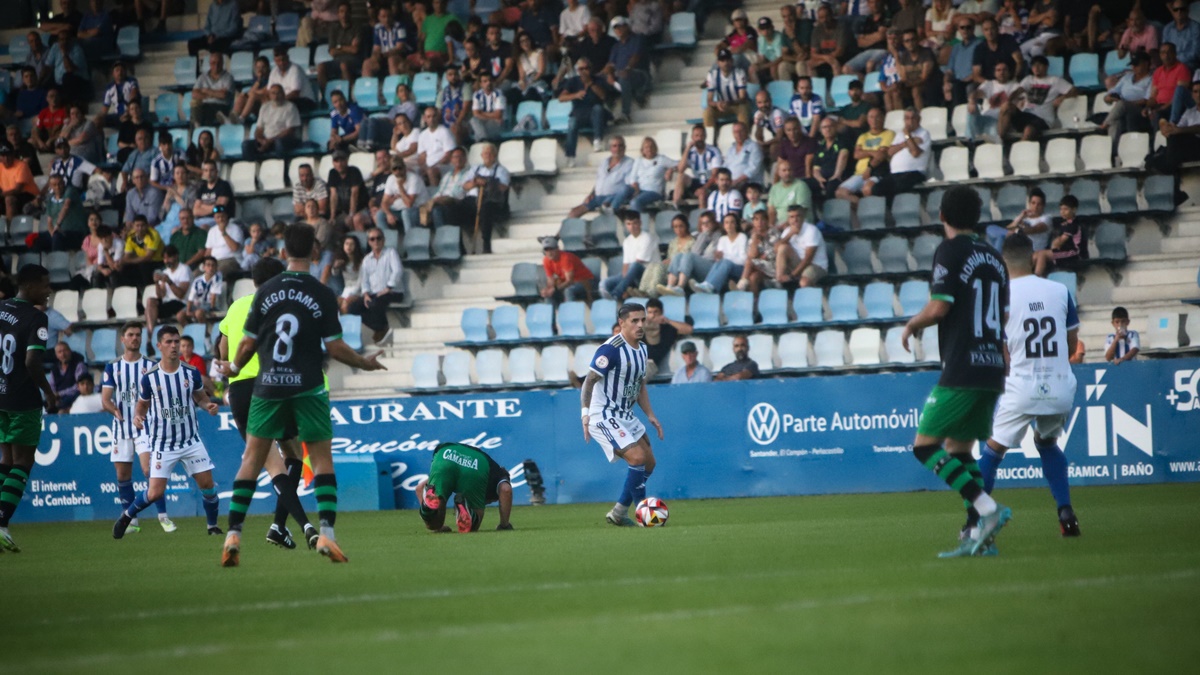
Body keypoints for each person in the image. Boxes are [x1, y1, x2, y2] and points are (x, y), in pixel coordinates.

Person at [217, 223, 386, 565]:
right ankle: (327, 533)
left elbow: (248, 343)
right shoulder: (322, 292)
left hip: (268, 385)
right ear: (314, 252)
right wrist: (364, 364)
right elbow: (336, 348)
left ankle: (233, 533)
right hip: (307, 386)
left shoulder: (265, 292)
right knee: (321, 458)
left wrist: (233, 368)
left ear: (282, 251)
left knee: (252, 458)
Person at [899, 185, 1011, 558]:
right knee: (960, 449)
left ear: (942, 217)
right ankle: (976, 535)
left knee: (924, 447)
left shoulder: (950, 250)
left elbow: (939, 307)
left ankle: (986, 509)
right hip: (992, 365)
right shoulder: (995, 258)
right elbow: (1001, 315)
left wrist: (912, 325)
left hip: (963, 366)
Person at [974, 233, 1081, 549]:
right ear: (1034, 256)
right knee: (1047, 443)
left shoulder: (1001, 296)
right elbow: (1072, 346)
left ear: (1001, 261)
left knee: (993, 451)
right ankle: (1065, 512)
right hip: (1060, 385)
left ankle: (973, 522)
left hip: (1020, 386)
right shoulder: (1060, 290)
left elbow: (998, 349)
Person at [218, 256, 317, 549]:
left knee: (275, 462)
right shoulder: (281, 306)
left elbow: (221, 346)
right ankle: (303, 526)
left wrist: (228, 376)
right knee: (293, 455)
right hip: (271, 386)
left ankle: (278, 527)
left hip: (238, 393)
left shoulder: (236, 306)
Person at [111, 326, 222, 539]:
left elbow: (200, 396)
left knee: (207, 485)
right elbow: (142, 404)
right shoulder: (150, 377)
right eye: (169, 342)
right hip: (163, 444)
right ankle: (127, 516)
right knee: (154, 493)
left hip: (191, 441)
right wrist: (137, 416)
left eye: (176, 341)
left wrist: (208, 405)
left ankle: (212, 526)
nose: (174, 346)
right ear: (159, 345)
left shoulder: (190, 372)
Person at [581, 302, 663, 527]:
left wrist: (650, 414)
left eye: (642, 320)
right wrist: (585, 414)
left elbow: (639, 385)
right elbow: (589, 381)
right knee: (637, 458)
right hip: (604, 415)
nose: (640, 325)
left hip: (625, 414)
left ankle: (618, 513)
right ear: (622, 323)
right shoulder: (611, 349)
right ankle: (644, 513)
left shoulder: (642, 349)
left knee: (649, 463)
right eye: (634, 321)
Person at [0, 264, 57, 552]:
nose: (48, 291)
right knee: (23, 462)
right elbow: (32, 362)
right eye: (45, 285)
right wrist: (48, 393)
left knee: (6, 460)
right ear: (31, 285)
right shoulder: (36, 317)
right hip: (21, 398)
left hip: (0, 395)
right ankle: (2, 523)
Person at [101, 322, 173, 532]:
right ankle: (131, 521)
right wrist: (115, 411)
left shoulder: (151, 365)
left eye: (138, 335)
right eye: (131, 335)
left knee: (149, 469)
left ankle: (163, 517)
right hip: (121, 428)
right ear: (123, 339)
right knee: (123, 475)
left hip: (145, 426)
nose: (135, 338)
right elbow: (106, 398)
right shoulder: (112, 366)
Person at [415, 442, 513, 532]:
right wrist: (504, 525)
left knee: (434, 525)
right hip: (476, 465)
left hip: (445, 453)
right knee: (472, 526)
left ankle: (427, 506)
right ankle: (466, 511)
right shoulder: (499, 474)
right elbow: (506, 489)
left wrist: (435, 521)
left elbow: (420, 488)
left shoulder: (492, 467)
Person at [349, 227, 402, 344]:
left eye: (379, 238)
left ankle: (382, 329)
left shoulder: (391, 252)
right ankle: (381, 328)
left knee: (375, 303)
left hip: (393, 292)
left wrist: (388, 287)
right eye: (372, 239)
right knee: (352, 308)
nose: (376, 241)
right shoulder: (367, 259)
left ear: (383, 240)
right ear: (369, 242)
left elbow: (397, 271)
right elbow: (364, 280)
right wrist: (366, 293)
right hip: (374, 294)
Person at [555, 58, 611, 166]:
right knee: (572, 122)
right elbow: (561, 98)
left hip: (595, 114)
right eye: (581, 69)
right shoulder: (573, 81)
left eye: (587, 68)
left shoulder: (598, 79)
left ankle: (598, 141)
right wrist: (576, 95)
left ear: (591, 69)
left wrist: (590, 83)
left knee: (598, 108)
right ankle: (570, 156)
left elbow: (603, 96)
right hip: (579, 113)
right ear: (577, 70)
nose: (584, 71)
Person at [864, 108, 931, 197]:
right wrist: (906, 143)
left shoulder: (924, 134)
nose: (910, 121)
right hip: (895, 173)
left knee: (898, 187)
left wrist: (907, 135)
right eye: (907, 118)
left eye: (913, 118)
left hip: (914, 172)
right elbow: (890, 152)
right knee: (877, 189)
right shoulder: (900, 134)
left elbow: (915, 153)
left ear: (918, 119)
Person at [1006, 55, 1077, 140]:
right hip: (1026, 114)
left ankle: (1020, 149)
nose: (1036, 68)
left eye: (1039, 65)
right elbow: (1019, 90)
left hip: (1043, 118)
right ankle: (1000, 140)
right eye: (1034, 66)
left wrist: (1063, 97)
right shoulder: (1028, 79)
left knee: (1029, 129)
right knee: (1005, 107)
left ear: (1046, 67)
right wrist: (1009, 99)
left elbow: (1075, 90)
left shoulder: (1054, 80)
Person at [601, 210, 659, 300]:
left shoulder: (647, 238)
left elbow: (639, 262)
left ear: (640, 223)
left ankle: (616, 294)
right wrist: (625, 279)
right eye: (628, 224)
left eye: (634, 223)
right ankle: (612, 301)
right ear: (625, 225)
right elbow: (626, 264)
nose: (632, 227)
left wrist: (625, 281)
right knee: (604, 283)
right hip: (631, 275)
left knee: (635, 265)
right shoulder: (627, 241)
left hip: (647, 274)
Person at [569, 136, 632, 217]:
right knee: (574, 212)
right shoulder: (604, 162)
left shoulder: (629, 163)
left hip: (612, 198)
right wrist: (591, 194)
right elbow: (599, 180)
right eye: (614, 146)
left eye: (620, 145)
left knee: (604, 211)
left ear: (624, 148)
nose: (618, 148)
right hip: (597, 197)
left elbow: (629, 186)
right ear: (610, 148)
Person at [463, 143, 510, 254]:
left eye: (490, 153)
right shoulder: (475, 168)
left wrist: (488, 182)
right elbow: (465, 185)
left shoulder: (501, 170)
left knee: (485, 209)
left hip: (493, 201)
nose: (487, 156)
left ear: (495, 155)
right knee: (458, 207)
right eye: (485, 153)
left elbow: (503, 187)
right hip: (474, 199)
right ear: (481, 155)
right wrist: (475, 182)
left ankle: (486, 245)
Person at [603, 17, 650, 123]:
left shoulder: (638, 39)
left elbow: (636, 57)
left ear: (627, 26)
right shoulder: (616, 46)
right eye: (616, 28)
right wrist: (610, 75)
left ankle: (625, 114)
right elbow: (610, 65)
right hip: (619, 76)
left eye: (621, 26)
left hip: (640, 74)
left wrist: (627, 69)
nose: (619, 29)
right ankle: (607, 115)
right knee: (598, 80)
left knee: (624, 77)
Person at [690, 213, 747, 294]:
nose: (729, 225)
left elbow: (743, 260)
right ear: (724, 225)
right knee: (719, 262)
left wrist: (725, 257)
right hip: (726, 267)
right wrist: (718, 257)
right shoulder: (722, 239)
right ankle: (706, 284)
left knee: (725, 262)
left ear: (736, 224)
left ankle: (710, 286)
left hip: (739, 269)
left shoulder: (742, 237)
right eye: (726, 223)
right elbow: (720, 260)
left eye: (732, 222)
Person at [1151, 81, 1200, 173]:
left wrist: (1179, 130)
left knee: (1176, 140)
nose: (1198, 95)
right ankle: (1169, 166)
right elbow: (1177, 129)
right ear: (1192, 95)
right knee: (1173, 137)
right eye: (1195, 92)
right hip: (1189, 147)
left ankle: (1167, 166)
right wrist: (1169, 129)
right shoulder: (1190, 112)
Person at [616, 136, 675, 213]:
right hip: (639, 190)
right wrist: (635, 185)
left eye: (651, 146)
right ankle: (612, 210)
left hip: (654, 191)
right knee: (624, 189)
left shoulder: (662, 159)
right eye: (646, 147)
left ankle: (638, 223)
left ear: (655, 148)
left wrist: (672, 169)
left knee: (635, 202)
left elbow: (679, 164)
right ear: (642, 150)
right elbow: (633, 177)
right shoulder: (639, 160)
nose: (649, 149)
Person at [242, 85, 300, 160]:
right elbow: (259, 128)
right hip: (266, 140)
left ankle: (282, 167)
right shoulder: (264, 107)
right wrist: (260, 140)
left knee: (279, 143)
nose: (276, 96)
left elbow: (290, 131)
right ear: (269, 95)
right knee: (246, 145)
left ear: (283, 94)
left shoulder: (290, 107)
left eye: (278, 93)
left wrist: (270, 141)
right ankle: (255, 167)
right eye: (273, 93)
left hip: (283, 140)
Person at [319, 1, 367, 90]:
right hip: (337, 60)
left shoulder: (357, 27)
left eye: (346, 11)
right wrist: (347, 47)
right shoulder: (334, 29)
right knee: (321, 66)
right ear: (338, 14)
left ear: (350, 13)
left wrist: (339, 47)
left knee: (343, 65)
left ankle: (349, 92)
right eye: (341, 11)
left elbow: (355, 50)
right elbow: (332, 52)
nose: (344, 14)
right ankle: (326, 95)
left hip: (355, 60)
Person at [1035, 194, 1088, 276]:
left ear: (1074, 210)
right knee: (1036, 254)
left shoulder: (1073, 225)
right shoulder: (1065, 224)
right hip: (1066, 252)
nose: (1062, 212)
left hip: (1075, 254)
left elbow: (1058, 243)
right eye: (1061, 209)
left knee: (1042, 254)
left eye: (1065, 209)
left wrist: (1053, 249)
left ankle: (1036, 280)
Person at [775, 205, 828, 287]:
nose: (795, 220)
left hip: (816, 265)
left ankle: (811, 299)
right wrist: (790, 234)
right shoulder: (787, 231)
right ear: (788, 219)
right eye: (792, 217)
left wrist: (791, 276)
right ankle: (779, 280)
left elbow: (808, 259)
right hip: (798, 263)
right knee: (782, 247)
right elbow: (776, 249)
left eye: (798, 216)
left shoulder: (811, 230)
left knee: (804, 282)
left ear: (803, 217)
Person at [673, 125, 723, 208]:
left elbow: (715, 175)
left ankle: (702, 218)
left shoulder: (713, 151)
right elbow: (680, 169)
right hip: (697, 181)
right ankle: (677, 204)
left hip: (710, 183)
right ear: (692, 137)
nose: (699, 138)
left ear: (705, 136)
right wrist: (687, 148)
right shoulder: (691, 152)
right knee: (681, 176)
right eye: (696, 136)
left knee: (702, 194)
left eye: (701, 135)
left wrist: (703, 188)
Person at [968, 61, 1019, 140]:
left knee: (992, 130)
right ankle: (970, 140)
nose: (1001, 72)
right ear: (995, 73)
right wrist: (971, 101)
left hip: (1000, 119)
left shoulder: (1015, 86)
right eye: (998, 70)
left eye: (1004, 70)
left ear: (1009, 72)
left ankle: (979, 141)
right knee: (969, 108)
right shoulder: (989, 84)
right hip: (985, 117)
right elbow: (976, 93)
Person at [145, 245, 191, 331]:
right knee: (150, 302)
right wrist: (156, 283)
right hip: (169, 304)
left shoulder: (184, 269)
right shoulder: (165, 272)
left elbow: (181, 295)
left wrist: (169, 282)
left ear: (176, 256)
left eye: (169, 257)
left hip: (181, 303)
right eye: (164, 258)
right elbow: (161, 295)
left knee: (149, 311)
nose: (166, 261)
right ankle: (150, 333)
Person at [989, 187, 1050, 252]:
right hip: (1016, 247)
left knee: (1000, 237)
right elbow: (1007, 229)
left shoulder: (1046, 218)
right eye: (1033, 203)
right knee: (991, 229)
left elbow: (1033, 229)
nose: (1035, 207)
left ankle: (996, 257)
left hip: (1031, 250)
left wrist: (1016, 230)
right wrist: (1020, 217)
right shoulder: (1024, 217)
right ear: (1029, 204)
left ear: (1043, 206)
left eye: (1039, 204)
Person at [643, 297, 693, 375]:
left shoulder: (668, 328)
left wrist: (667, 321)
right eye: (649, 312)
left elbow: (689, 329)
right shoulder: (643, 327)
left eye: (655, 312)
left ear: (662, 312)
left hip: (652, 365)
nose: (652, 316)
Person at [704, 49, 751, 130]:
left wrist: (729, 102)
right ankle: (709, 139)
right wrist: (717, 104)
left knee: (743, 108)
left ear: (732, 61)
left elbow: (742, 98)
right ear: (718, 62)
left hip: (737, 104)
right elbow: (709, 100)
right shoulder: (712, 75)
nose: (725, 63)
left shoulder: (739, 73)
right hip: (722, 106)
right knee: (708, 111)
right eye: (722, 60)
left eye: (727, 60)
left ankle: (744, 136)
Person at [807, 117, 850, 204]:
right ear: (821, 130)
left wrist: (836, 176)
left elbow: (843, 156)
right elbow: (816, 168)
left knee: (831, 185)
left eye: (830, 126)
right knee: (806, 184)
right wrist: (819, 178)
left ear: (836, 127)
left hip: (839, 176)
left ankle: (830, 215)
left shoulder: (842, 141)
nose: (828, 129)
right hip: (823, 178)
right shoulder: (820, 147)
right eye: (824, 127)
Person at [539, 236, 594, 303]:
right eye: (546, 250)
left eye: (552, 249)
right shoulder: (546, 260)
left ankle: (570, 312)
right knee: (548, 295)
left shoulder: (565, 258)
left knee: (568, 291)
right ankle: (550, 313)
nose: (549, 253)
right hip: (569, 282)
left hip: (584, 281)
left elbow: (569, 281)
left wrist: (554, 289)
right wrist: (548, 290)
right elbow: (550, 279)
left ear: (557, 249)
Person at [379, 157, 427, 234]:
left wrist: (400, 187)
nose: (398, 171)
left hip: (418, 209)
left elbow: (409, 204)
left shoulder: (413, 178)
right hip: (399, 209)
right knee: (380, 214)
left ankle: (410, 239)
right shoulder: (390, 179)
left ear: (404, 168)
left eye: (400, 168)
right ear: (392, 171)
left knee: (406, 212)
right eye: (395, 169)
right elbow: (384, 202)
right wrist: (389, 214)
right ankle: (385, 240)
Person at [415, 106, 457, 188]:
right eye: (428, 117)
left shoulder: (444, 132)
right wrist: (423, 167)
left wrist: (432, 167)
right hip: (429, 166)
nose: (431, 119)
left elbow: (448, 155)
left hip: (444, 166)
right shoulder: (422, 135)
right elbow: (422, 156)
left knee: (431, 171)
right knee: (413, 172)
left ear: (438, 117)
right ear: (424, 118)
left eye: (434, 116)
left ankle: (435, 195)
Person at [268, 45, 318, 112]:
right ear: (275, 60)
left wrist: (280, 101)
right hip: (283, 100)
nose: (281, 63)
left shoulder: (295, 69)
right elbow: (269, 91)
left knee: (286, 105)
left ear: (288, 58)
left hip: (304, 101)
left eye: (283, 59)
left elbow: (295, 93)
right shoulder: (273, 72)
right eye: (278, 60)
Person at [223, 56, 271, 125]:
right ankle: (233, 118)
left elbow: (264, 91)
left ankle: (242, 119)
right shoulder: (257, 80)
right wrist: (258, 81)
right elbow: (251, 92)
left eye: (263, 67)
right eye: (258, 68)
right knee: (241, 96)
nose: (260, 70)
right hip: (256, 105)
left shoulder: (271, 78)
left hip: (265, 105)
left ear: (268, 68)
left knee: (252, 95)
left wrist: (252, 93)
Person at [191, 52, 235, 127]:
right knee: (194, 105)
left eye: (218, 63)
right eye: (213, 63)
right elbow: (194, 94)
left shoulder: (228, 77)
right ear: (209, 63)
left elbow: (223, 95)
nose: (216, 65)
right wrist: (215, 94)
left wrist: (206, 91)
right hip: (205, 105)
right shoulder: (202, 77)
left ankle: (199, 130)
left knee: (205, 112)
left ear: (222, 63)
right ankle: (196, 129)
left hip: (222, 106)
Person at [766, 159, 811, 227]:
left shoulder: (801, 186)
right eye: (784, 170)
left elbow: (801, 211)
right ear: (778, 173)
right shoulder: (774, 188)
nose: (787, 173)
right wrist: (771, 226)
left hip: (798, 224)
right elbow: (771, 211)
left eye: (789, 170)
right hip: (779, 225)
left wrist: (783, 227)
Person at [0, 143, 39, 222]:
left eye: (8, 155)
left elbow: (17, 190)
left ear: (13, 154)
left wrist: (1, 194)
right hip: (7, 194)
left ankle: (9, 230)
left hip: (28, 196)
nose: (6, 159)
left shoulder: (21, 165)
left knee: (9, 199)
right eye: (3, 156)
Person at [203, 206, 245, 278]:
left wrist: (223, 232)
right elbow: (208, 251)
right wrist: (205, 263)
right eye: (218, 217)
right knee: (196, 274)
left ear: (227, 216)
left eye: (222, 216)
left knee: (216, 274)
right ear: (215, 218)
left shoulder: (235, 228)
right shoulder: (212, 231)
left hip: (231, 260)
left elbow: (235, 248)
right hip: (214, 261)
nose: (221, 219)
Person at [48, 341, 87, 414]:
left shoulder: (79, 365)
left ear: (70, 351)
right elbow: (51, 386)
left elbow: (79, 386)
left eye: (65, 350)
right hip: (58, 399)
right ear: (56, 355)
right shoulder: (54, 369)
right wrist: (53, 396)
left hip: (74, 396)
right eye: (59, 352)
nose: (63, 354)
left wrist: (60, 394)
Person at [467, 71, 506, 142]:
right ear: (481, 84)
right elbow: (475, 114)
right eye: (485, 81)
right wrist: (490, 115)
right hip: (484, 123)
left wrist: (482, 113)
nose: (488, 83)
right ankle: (484, 140)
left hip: (496, 123)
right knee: (473, 120)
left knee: (478, 133)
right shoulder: (477, 95)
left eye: (490, 80)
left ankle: (482, 140)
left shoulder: (499, 94)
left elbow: (498, 115)